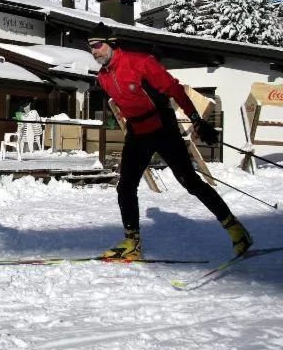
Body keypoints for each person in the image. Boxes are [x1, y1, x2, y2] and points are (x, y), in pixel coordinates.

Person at [88, 22, 252, 260]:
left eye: (98, 45)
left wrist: (195, 118)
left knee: (190, 181)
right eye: (91, 47)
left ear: (111, 43)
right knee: (125, 186)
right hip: (137, 132)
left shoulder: (141, 62)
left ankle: (237, 231)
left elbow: (174, 89)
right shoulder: (102, 77)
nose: (94, 51)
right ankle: (132, 243)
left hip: (163, 127)